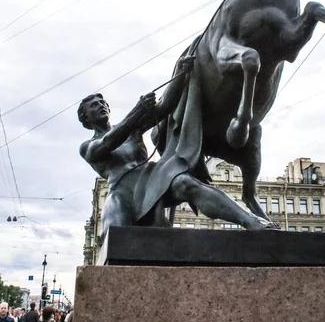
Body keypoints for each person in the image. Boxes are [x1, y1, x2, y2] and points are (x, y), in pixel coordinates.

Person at [78, 58, 270, 236]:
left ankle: (252, 222)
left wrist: (181, 72)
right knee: (118, 236)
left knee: (185, 183)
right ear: (86, 118)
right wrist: (136, 112)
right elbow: (108, 142)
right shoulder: (87, 146)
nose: (101, 105)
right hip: (122, 192)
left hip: (151, 178)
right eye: (94, 105)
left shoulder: (131, 127)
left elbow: (164, 106)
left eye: (103, 102)